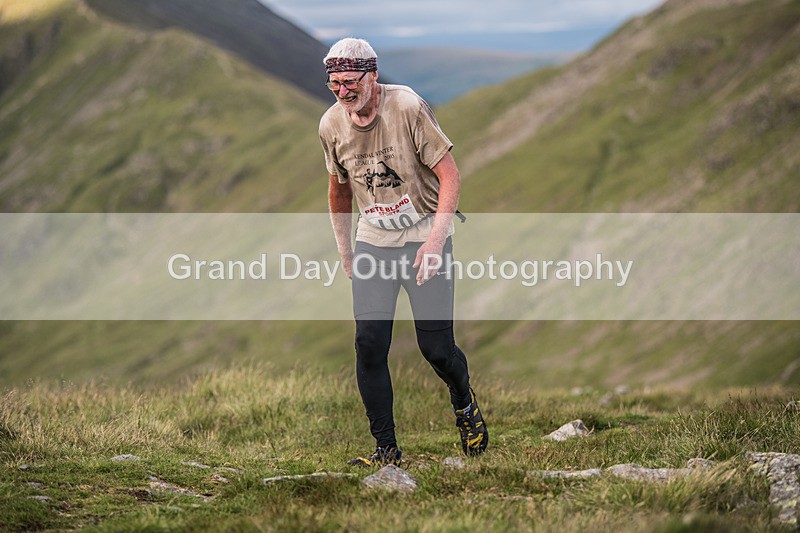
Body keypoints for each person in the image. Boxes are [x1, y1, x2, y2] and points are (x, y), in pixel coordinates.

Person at [318, 38, 488, 467]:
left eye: (350, 82)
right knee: (369, 343)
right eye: (334, 83)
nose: (342, 92)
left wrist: (435, 242)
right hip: (373, 241)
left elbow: (449, 176)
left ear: (372, 75)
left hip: (424, 238)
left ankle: (464, 403)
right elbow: (338, 189)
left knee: (437, 350)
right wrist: (344, 248)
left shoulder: (407, 106)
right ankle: (386, 450)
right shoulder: (331, 125)